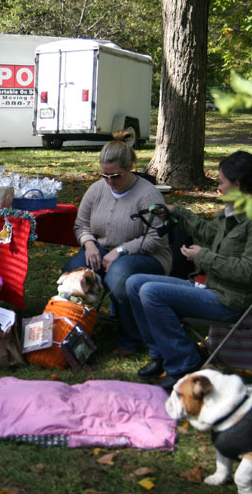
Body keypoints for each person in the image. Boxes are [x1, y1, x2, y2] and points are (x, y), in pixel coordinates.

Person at [126, 151, 252, 390]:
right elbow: (209, 233)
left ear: (237, 184)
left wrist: (203, 257)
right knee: (134, 283)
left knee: (151, 292)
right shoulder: (234, 210)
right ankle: (161, 355)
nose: (218, 187)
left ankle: (184, 363)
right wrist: (177, 211)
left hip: (231, 300)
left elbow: (250, 272)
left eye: (220, 182)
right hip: (213, 289)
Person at [63, 138, 172, 355]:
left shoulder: (147, 193)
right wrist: (89, 244)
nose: (110, 181)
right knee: (73, 272)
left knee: (118, 276)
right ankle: (75, 329)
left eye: (115, 176)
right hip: (102, 249)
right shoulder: (96, 190)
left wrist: (121, 250)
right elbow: (81, 225)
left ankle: (130, 339)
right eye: (105, 175)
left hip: (149, 255)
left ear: (130, 167)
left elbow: (156, 237)